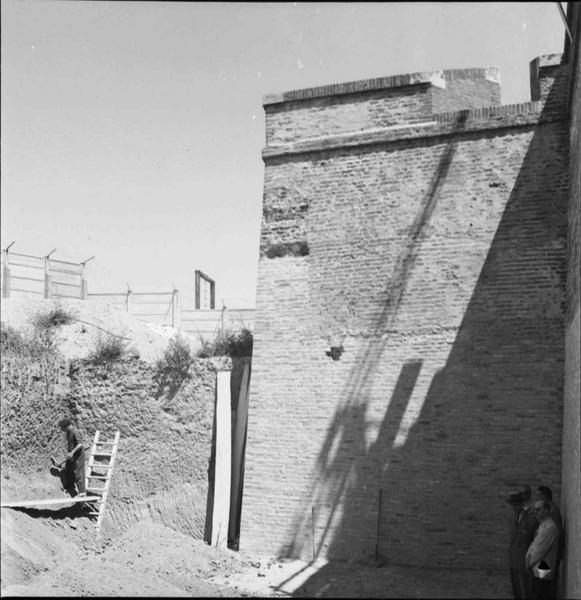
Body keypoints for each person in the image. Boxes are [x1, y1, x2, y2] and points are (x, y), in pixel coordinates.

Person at [526, 500, 560, 600]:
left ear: (547, 510)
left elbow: (539, 549)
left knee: (540, 593)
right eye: (535, 510)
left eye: (538, 509)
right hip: (539, 566)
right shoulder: (543, 525)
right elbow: (534, 544)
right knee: (536, 592)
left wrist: (529, 563)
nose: (535, 512)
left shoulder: (550, 527)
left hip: (544, 566)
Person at [507, 490, 537, 599]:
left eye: (515, 505)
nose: (513, 508)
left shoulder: (531, 519)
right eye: (512, 505)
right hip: (513, 557)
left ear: (521, 504)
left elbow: (534, 539)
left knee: (525, 588)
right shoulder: (511, 518)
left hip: (525, 558)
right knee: (516, 588)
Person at [535, 486, 564, 597]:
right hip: (548, 554)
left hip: (549, 555)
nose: (537, 498)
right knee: (544, 584)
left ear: (544, 496)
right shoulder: (550, 509)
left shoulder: (552, 511)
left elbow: (557, 533)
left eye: (538, 496)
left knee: (546, 586)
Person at [58, 418, 86, 497]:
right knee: (68, 468)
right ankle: (70, 487)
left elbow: (80, 444)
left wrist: (72, 452)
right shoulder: (68, 432)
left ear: (65, 426)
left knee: (79, 473)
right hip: (72, 455)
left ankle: (82, 493)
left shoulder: (75, 431)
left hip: (78, 455)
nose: (61, 429)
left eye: (62, 428)